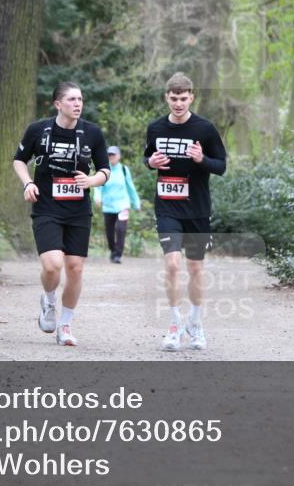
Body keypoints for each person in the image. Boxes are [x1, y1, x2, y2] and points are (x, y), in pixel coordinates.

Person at [12, 82, 110, 347]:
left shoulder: (92, 133)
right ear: (58, 104)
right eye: (72, 99)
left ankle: (65, 326)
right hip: (47, 207)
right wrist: (28, 182)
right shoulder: (38, 130)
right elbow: (19, 160)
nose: (78, 104)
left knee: (75, 268)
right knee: (52, 265)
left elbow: (105, 170)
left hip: (78, 209)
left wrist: (92, 181)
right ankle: (49, 299)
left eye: (80, 99)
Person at [144, 72, 227, 351]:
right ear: (166, 97)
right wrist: (150, 162)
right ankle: (174, 325)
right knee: (172, 265)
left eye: (183, 98)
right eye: (173, 98)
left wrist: (201, 159)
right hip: (167, 207)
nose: (178, 103)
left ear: (191, 97)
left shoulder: (205, 129)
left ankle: (196, 323)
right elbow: (148, 157)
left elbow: (221, 166)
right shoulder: (155, 128)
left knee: (195, 268)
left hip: (197, 209)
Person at [92, 146, 141, 264]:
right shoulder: (104, 170)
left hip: (123, 205)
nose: (111, 157)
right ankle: (113, 250)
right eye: (109, 155)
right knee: (109, 232)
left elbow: (130, 187)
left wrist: (136, 203)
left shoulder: (124, 170)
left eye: (113, 155)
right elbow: (98, 187)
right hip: (108, 206)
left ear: (118, 156)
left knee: (120, 228)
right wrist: (97, 197)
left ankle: (118, 254)